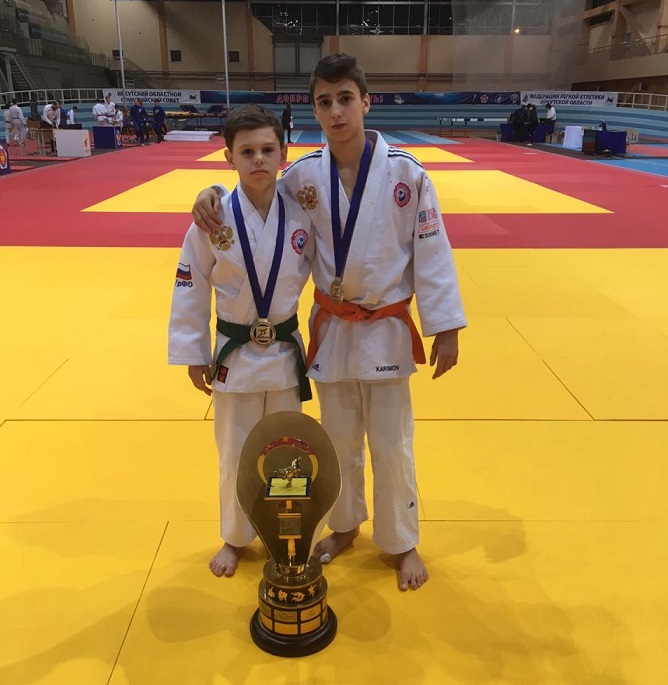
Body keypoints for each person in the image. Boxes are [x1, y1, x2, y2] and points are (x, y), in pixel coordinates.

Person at [190, 54, 467, 591]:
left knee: (392, 443)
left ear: (367, 102)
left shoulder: (407, 173)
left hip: (386, 327)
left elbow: (432, 251)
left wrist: (446, 325)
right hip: (333, 330)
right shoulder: (301, 177)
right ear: (314, 111)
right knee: (336, 442)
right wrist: (210, 195)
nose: (336, 111)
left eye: (345, 99)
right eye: (324, 101)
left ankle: (402, 541)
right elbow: (253, 195)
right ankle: (344, 525)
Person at [168, 104, 314, 578]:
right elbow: (190, 286)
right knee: (234, 453)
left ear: (284, 154)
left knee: (287, 453)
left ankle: (284, 532)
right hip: (235, 354)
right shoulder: (211, 219)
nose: (258, 160)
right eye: (246, 151)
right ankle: (235, 536)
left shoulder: (303, 212)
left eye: (268, 150)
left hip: (285, 352)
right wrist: (193, 352)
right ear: (228, 157)